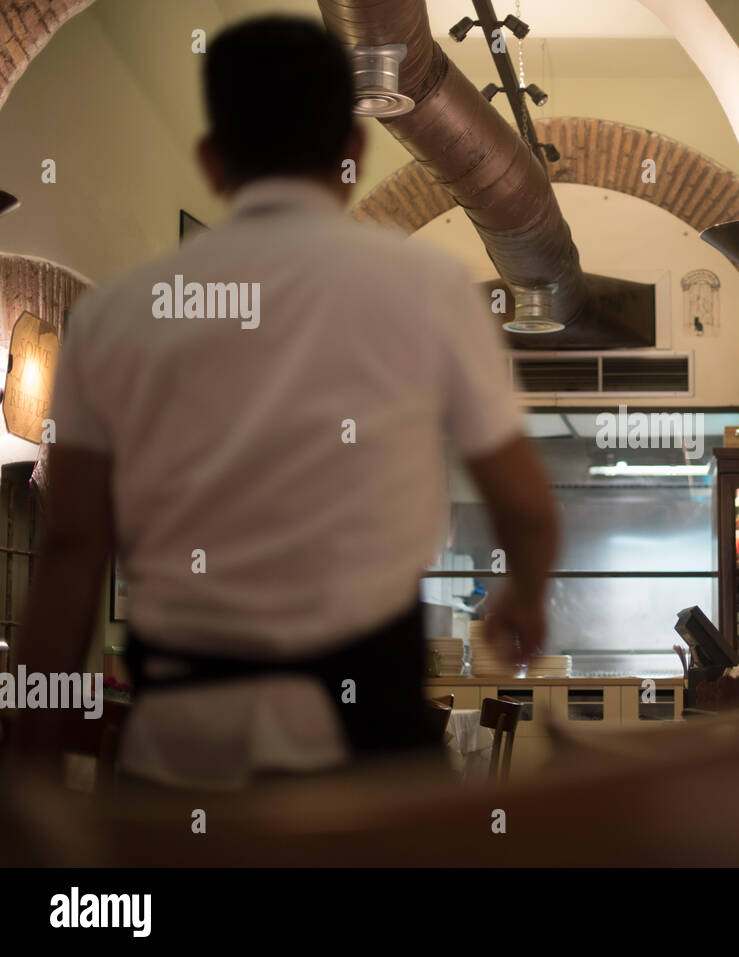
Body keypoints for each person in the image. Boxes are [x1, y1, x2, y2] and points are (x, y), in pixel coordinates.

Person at [10, 16, 558, 790]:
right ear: (354, 154)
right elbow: (528, 511)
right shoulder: (430, 292)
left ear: (210, 161)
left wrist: (29, 773)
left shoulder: (115, 317)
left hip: (177, 755)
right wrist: (524, 597)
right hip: (370, 758)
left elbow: (69, 553)